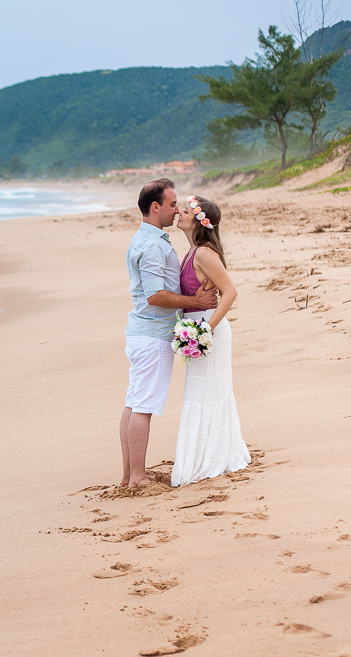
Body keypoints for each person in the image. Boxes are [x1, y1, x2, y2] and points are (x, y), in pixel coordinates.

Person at [120, 179, 217, 487]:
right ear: (155, 207)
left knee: (135, 402)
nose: (177, 210)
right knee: (143, 406)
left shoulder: (149, 239)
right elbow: (155, 295)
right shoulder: (150, 245)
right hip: (152, 335)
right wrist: (196, 301)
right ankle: (137, 477)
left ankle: (128, 476)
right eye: (173, 204)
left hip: (143, 332)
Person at [170, 195, 251, 486]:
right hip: (198, 329)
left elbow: (230, 292)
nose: (179, 212)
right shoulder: (192, 252)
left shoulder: (204, 253)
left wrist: (205, 330)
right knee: (199, 395)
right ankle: (205, 455)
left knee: (207, 394)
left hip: (208, 330)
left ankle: (211, 458)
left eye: (187, 210)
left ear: (201, 220)